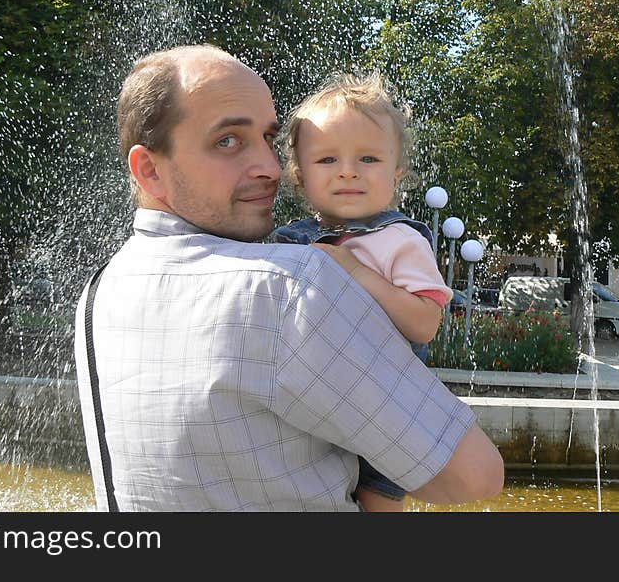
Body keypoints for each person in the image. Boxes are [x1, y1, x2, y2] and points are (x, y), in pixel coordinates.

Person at [74, 44, 503, 511]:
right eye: (228, 141)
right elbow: (473, 477)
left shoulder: (100, 291)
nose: (272, 169)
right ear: (149, 169)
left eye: (268, 140)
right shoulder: (290, 284)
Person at [270, 72, 452, 512]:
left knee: (376, 500)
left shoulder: (400, 240)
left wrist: (355, 271)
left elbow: (426, 325)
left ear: (396, 174)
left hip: (384, 411)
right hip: (309, 409)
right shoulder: (285, 241)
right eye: (327, 159)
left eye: (368, 159)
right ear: (300, 175)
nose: (348, 170)